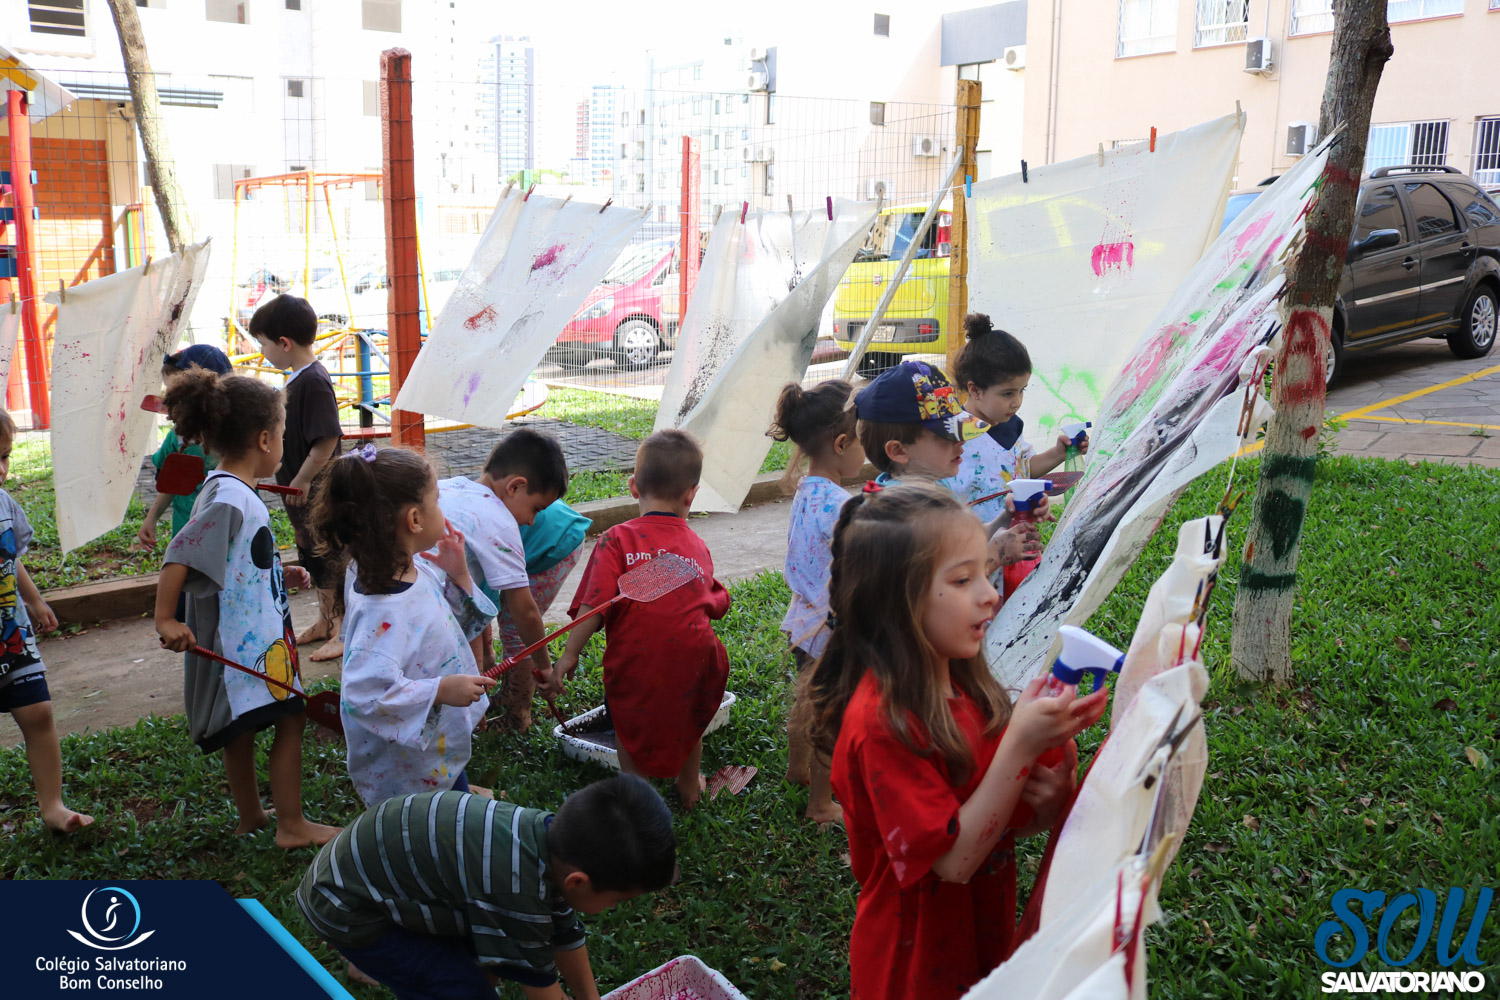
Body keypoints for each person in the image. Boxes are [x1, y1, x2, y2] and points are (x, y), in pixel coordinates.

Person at [807, 483, 1108, 1000]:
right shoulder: (883, 724)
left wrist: (1051, 798)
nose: (990, 593)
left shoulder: (969, 689)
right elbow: (954, 861)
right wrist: (1019, 743)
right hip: (911, 963)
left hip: (979, 939)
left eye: (984, 575)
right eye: (964, 579)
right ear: (895, 603)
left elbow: (998, 827)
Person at [153, 370, 338, 849]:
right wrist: (165, 618)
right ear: (264, 439)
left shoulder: (232, 490)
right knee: (291, 718)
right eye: (280, 436)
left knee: (242, 730)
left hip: (256, 637)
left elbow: (236, 559)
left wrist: (280, 574)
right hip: (245, 646)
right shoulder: (231, 497)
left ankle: (252, 816)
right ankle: (291, 826)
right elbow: (181, 553)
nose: (281, 446)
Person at [296, 774, 677, 1000]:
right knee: (464, 990)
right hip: (352, 909)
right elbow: (541, 987)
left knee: (484, 964)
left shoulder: (550, 838)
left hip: (389, 880)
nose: (614, 907)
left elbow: (563, 931)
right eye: (616, 900)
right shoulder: (515, 889)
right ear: (579, 881)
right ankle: (383, 964)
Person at [307, 446, 498, 806]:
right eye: (437, 501)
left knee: (449, 778)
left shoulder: (406, 567)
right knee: (428, 822)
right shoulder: (384, 613)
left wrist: (457, 573)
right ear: (414, 519)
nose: (442, 510)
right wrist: (440, 692)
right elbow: (365, 695)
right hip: (408, 762)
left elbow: (444, 618)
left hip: (433, 736)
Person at [554, 430, 731, 809]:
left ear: (634, 487)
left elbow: (594, 605)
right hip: (698, 658)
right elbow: (714, 603)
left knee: (628, 726)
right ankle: (688, 791)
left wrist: (570, 655)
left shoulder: (616, 539)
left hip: (636, 660)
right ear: (691, 495)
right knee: (690, 720)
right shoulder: (696, 544)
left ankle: (639, 798)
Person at [766, 380, 863, 825]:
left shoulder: (809, 490)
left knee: (805, 701)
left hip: (803, 618)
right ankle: (821, 805)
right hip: (830, 626)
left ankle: (796, 770)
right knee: (831, 716)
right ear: (842, 443)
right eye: (863, 438)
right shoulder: (842, 505)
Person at [434, 429, 566, 732]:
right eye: (536, 509)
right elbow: (526, 611)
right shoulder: (499, 521)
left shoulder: (448, 487)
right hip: (431, 618)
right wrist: (544, 666)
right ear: (516, 486)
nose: (532, 521)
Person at [854, 359, 1043, 571]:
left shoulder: (937, 487)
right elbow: (946, 580)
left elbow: (965, 542)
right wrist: (997, 553)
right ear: (898, 451)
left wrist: (1007, 516)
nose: (961, 442)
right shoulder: (904, 514)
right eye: (946, 436)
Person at [0, 409, 93, 834]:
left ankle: (53, 806)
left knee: (38, 714)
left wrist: (35, 601)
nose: (2, 470)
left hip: (11, 634)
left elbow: (10, 558)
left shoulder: (5, 505)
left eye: (6, 457)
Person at [249, 294, 345, 663]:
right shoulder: (298, 378)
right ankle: (325, 620)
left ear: (284, 343)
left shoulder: (314, 382)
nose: (264, 353)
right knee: (311, 551)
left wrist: (303, 481)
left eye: (264, 344)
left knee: (329, 556)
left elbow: (327, 438)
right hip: (299, 494)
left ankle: (339, 629)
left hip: (316, 492)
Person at [952, 313, 1090, 521]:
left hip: (1015, 538)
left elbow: (1024, 470)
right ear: (976, 390)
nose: (1017, 402)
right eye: (1008, 393)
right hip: (975, 543)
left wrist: (1058, 454)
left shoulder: (1011, 426)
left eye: (1022, 390)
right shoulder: (954, 436)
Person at [137, 345, 234, 556]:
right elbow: (171, 482)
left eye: (176, 395)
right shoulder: (176, 437)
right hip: (187, 533)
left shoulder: (238, 436)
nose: (169, 405)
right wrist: (151, 518)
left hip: (230, 532)